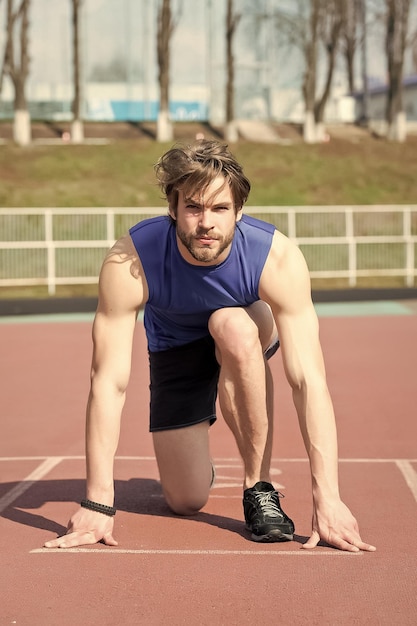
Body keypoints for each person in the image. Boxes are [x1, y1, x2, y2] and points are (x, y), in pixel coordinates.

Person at [45, 139, 376, 552]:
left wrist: (327, 497)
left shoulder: (276, 257)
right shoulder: (130, 259)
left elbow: (309, 381)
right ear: (173, 209)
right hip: (175, 347)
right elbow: (108, 381)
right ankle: (205, 468)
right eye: (194, 207)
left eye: (220, 209)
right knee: (185, 500)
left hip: (244, 327)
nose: (206, 222)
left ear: (239, 212)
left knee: (231, 324)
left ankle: (259, 486)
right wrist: (98, 501)